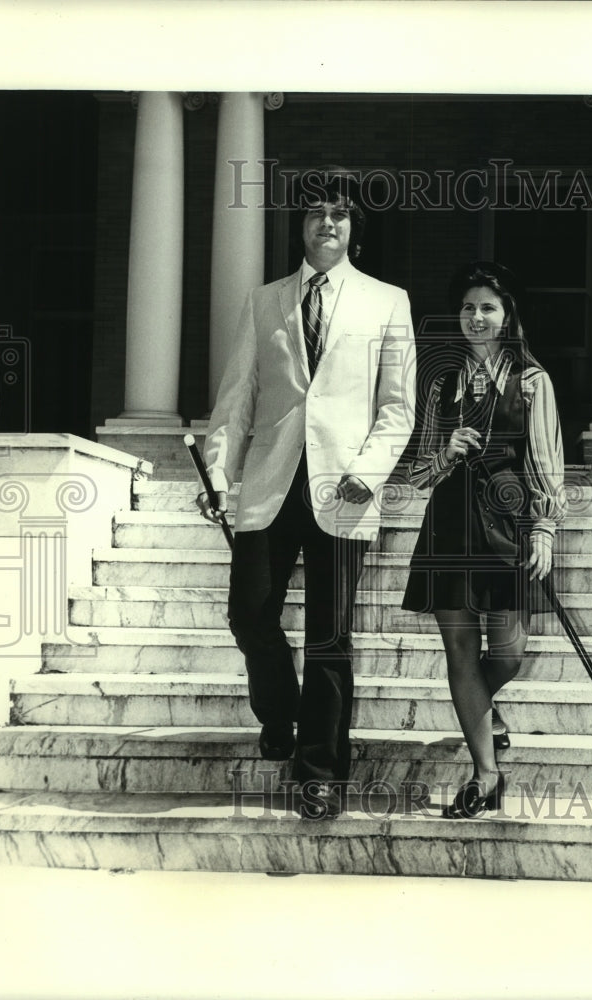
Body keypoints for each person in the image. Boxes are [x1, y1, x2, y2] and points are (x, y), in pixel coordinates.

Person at [198, 168, 416, 819]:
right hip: (269, 484)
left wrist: (367, 471)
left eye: (340, 214)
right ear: (300, 225)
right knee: (249, 616)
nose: (328, 222)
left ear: (355, 229)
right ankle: (281, 713)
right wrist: (217, 473)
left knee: (330, 636)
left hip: (344, 489)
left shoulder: (386, 301)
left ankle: (318, 770)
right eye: (317, 212)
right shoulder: (263, 302)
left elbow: (397, 409)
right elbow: (236, 399)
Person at [401, 260, 565, 819]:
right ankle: (485, 774)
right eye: (468, 308)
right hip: (449, 529)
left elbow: (546, 461)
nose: (476, 317)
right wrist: (446, 453)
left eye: (487, 308)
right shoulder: (441, 382)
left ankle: (484, 705)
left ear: (506, 314)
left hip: (505, 529)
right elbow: (418, 474)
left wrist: (544, 527)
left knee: (510, 654)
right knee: (460, 654)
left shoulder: (532, 381)